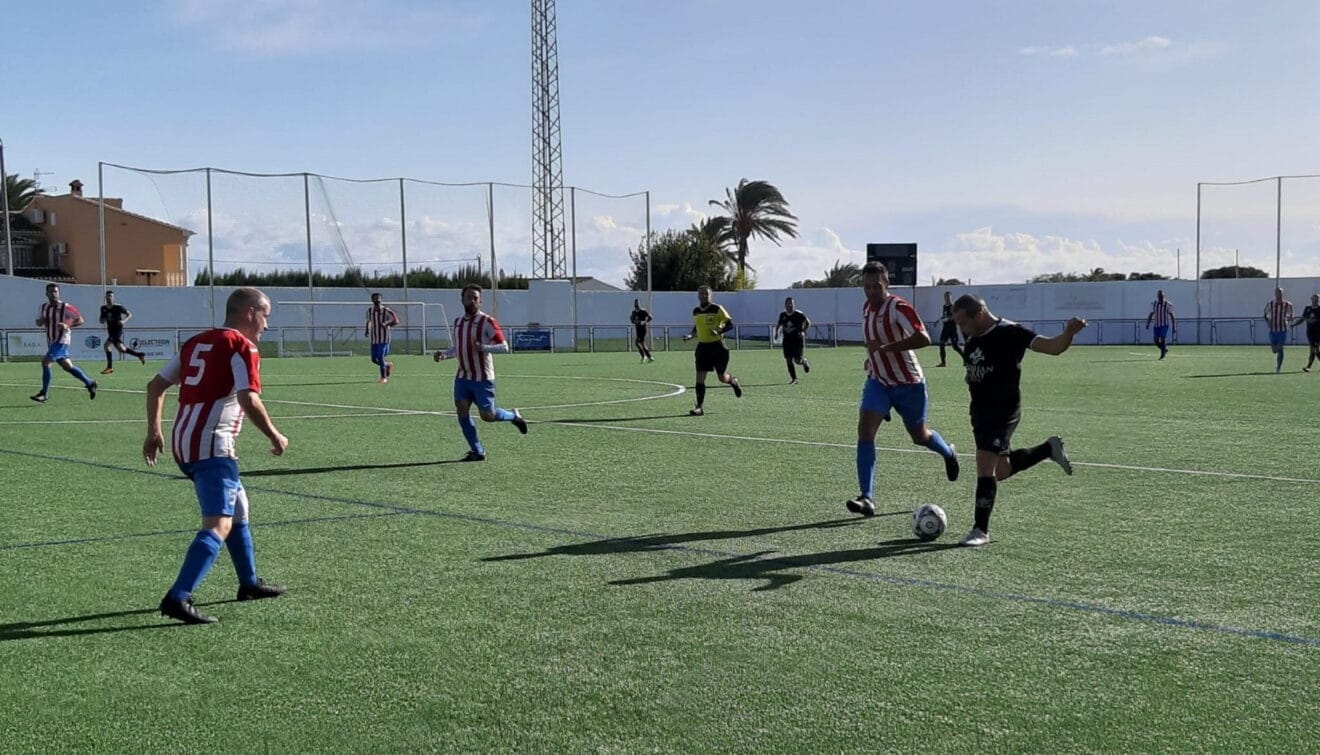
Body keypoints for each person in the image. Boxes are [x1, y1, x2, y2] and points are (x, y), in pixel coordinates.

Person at [144, 287, 288, 624]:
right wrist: (275, 435)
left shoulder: (196, 341)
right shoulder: (242, 345)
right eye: (266, 315)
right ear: (250, 312)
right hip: (211, 444)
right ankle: (178, 597)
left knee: (238, 509)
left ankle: (249, 583)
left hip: (184, 440)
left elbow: (154, 386)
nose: (267, 325)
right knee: (219, 524)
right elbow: (248, 398)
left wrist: (154, 431)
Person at [950, 295, 1083, 547]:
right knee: (1001, 471)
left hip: (1003, 411)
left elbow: (1051, 347)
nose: (960, 329)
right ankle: (1048, 448)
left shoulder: (1011, 332)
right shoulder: (972, 338)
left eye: (962, 322)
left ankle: (980, 529)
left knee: (983, 463)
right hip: (979, 412)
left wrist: (1068, 333)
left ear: (977, 315)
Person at [846, 262, 958, 516]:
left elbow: (924, 338)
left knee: (919, 436)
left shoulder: (898, 307)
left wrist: (886, 349)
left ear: (886, 284)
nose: (872, 291)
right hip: (879, 381)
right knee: (865, 429)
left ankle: (948, 452)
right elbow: (874, 341)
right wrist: (872, 358)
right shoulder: (866, 308)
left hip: (909, 383)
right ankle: (867, 498)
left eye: (876, 286)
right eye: (867, 287)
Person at [433, 284, 528, 461]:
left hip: (483, 378)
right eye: (469, 297)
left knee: (488, 416)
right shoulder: (458, 322)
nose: (472, 301)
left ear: (480, 301)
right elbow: (458, 348)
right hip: (462, 377)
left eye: (475, 298)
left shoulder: (487, 322)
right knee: (461, 411)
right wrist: (444, 355)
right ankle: (478, 451)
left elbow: (504, 347)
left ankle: (514, 416)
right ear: (462, 300)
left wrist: (483, 347)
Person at [681, 285, 743, 416]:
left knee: (722, 377)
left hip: (718, 347)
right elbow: (697, 326)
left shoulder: (717, 308)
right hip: (703, 347)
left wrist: (719, 331)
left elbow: (730, 324)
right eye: (701, 294)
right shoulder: (696, 311)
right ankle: (699, 407)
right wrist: (691, 335)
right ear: (698, 296)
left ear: (711, 295)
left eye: (706, 294)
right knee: (699, 378)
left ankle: (733, 381)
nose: (704, 296)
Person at [30, 283, 97, 403]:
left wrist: (67, 325)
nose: (53, 294)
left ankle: (44, 393)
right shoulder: (43, 307)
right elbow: (38, 322)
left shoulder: (66, 307)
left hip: (62, 339)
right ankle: (90, 382)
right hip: (52, 340)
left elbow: (80, 320)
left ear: (59, 293)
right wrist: (42, 320)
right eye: (51, 292)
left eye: (55, 291)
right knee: (67, 366)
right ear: (46, 294)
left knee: (46, 362)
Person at [98, 290, 147, 374]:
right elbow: (101, 320)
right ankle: (139, 355)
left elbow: (129, 314)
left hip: (117, 330)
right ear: (105, 297)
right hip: (110, 330)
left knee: (106, 346)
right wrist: (103, 320)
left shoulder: (118, 307)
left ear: (113, 298)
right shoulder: (103, 308)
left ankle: (109, 368)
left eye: (111, 296)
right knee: (122, 349)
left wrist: (123, 321)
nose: (109, 297)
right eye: (108, 296)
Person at [774, 297, 811, 383]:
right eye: (788, 303)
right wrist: (777, 333)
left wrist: (803, 331)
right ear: (785, 305)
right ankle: (794, 378)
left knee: (797, 360)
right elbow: (779, 325)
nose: (789, 305)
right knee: (788, 359)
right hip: (787, 340)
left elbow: (808, 322)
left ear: (794, 305)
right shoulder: (782, 315)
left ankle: (804, 362)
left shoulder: (799, 314)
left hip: (797, 340)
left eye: (791, 303)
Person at [365, 292, 400, 383]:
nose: (377, 300)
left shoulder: (386, 310)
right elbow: (368, 321)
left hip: (384, 338)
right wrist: (367, 330)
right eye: (375, 298)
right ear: (372, 300)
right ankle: (387, 365)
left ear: (381, 299)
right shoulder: (369, 311)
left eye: (379, 298)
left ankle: (383, 377)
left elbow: (396, 321)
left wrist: (387, 324)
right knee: (374, 359)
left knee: (380, 357)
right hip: (374, 338)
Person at [1264, 288, 1294, 373]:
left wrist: (1289, 319)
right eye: (1277, 292)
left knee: (1280, 348)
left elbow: (1292, 314)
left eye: (1280, 292)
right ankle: (1276, 352)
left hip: (1282, 329)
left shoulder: (1288, 304)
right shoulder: (1270, 303)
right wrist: (1268, 322)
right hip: (1272, 329)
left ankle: (1278, 367)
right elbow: (1265, 314)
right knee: (1274, 350)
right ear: (1274, 293)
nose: (1278, 294)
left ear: (1282, 293)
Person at [1145, 290, 1176, 360]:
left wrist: (1174, 326)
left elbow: (1172, 315)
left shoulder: (1168, 304)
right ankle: (1164, 349)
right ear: (1157, 296)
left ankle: (1163, 355)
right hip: (1156, 325)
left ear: (1164, 296)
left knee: (1162, 338)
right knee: (1156, 341)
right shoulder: (1154, 304)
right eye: (1159, 296)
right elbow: (1151, 314)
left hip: (1164, 324)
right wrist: (1148, 323)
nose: (1161, 298)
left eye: (1162, 296)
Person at [1292, 293, 1320, 372]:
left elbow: (1314, 320)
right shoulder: (1307, 308)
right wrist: (1294, 324)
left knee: (1314, 349)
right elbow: (1302, 318)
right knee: (1314, 350)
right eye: (1314, 298)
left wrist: (1309, 320)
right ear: (1311, 299)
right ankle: (1309, 366)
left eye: (1317, 298)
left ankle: (1308, 366)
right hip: (1310, 332)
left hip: (1317, 332)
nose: (1315, 300)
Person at [936, 291, 963, 367]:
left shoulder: (953, 306)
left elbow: (955, 316)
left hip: (952, 328)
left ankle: (966, 360)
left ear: (951, 297)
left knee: (955, 347)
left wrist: (948, 319)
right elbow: (945, 315)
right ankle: (943, 363)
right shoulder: (944, 306)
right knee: (941, 344)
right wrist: (941, 319)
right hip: (945, 328)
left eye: (948, 297)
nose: (947, 298)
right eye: (945, 297)